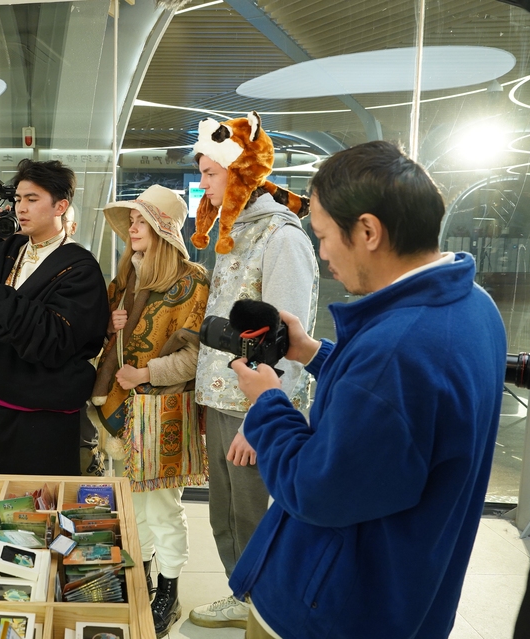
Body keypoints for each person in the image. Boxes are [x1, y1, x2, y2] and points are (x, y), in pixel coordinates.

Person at [228, 140, 506, 638]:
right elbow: (394, 418)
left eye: (324, 235)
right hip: (404, 591)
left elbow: (314, 488)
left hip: (330, 610)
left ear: (368, 231)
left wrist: (266, 402)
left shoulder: (397, 350)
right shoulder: (473, 305)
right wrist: (314, 353)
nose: (322, 252)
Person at [188, 119, 319, 628]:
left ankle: (266, 608)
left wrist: (260, 417)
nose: (205, 184)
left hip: (254, 405)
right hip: (222, 397)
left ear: (240, 169)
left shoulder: (281, 235)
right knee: (225, 513)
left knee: (254, 513)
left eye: (212, 173)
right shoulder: (233, 230)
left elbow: (286, 336)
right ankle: (242, 595)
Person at [0, 159, 109, 475]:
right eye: (18, 199)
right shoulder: (6, 249)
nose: (21, 208)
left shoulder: (81, 268)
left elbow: (52, 339)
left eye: (32, 199)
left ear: (61, 206)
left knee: (40, 509)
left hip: (43, 419)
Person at [91, 185, 209, 637]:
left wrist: (145, 374)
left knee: (162, 508)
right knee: (129, 506)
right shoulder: (125, 279)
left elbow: (198, 355)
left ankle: (169, 591)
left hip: (161, 413)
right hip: (120, 412)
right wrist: (110, 324)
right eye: (131, 221)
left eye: (140, 221)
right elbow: (103, 343)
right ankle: (137, 580)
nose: (132, 228)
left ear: (162, 230)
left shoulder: (193, 280)